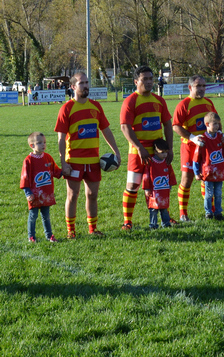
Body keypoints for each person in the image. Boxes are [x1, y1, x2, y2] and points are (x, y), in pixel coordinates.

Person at [55, 72, 121, 239]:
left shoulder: (96, 106)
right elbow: (61, 139)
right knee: (73, 195)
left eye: (86, 82)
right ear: (73, 87)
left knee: (92, 195)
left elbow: (106, 130)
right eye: (81, 83)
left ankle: (93, 229)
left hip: (93, 161)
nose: (85, 86)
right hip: (74, 161)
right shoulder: (67, 108)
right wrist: (63, 162)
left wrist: (116, 152)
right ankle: (71, 231)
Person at [120, 65, 174, 230]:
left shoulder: (159, 101)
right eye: (145, 79)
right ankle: (127, 221)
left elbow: (167, 125)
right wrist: (139, 147)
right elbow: (125, 127)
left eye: (151, 79)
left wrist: (169, 149)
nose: (149, 82)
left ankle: (164, 217)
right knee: (133, 185)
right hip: (137, 152)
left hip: (158, 152)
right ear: (136, 81)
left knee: (160, 184)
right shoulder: (131, 101)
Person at [172, 75, 217, 222]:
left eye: (204, 86)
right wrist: (192, 137)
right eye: (199, 86)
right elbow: (176, 126)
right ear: (190, 87)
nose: (202, 89)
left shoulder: (209, 103)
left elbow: (216, 121)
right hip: (189, 147)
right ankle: (183, 214)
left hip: (207, 147)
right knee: (187, 179)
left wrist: (219, 134)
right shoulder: (184, 104)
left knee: (207, 178)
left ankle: (209, 211)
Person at [20, 132, 65, 242]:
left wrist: (65, 172)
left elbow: (55, 171)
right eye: (39, 143)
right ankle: (31, 237)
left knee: (46, 216)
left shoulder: (48, 157)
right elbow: (24, 178)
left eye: (44, 142)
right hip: (34, 195)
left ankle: (49, 236)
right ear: (32, 145)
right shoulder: (28, 161)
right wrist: (28, 193)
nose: (43, 145)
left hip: (46, 194)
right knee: (33, 216)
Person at [192, 112, 224, 220]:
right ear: (207, 124)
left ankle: (218, 212)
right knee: (208, 194)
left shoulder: (220, 138)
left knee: (218, 193)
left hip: (219, 172)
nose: (217, 126)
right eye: (215, 124)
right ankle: (208, 212)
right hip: (208, 172)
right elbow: (196, 158)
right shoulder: (203, 139)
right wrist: (196, 172)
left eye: (218, 124)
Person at [142, 138, 177, 228]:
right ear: (155, 151)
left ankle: (166, 223)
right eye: (162, 152)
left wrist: (170, 184)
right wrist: (146, 188)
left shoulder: (167, 162)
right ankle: (153, 225)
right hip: (153, 192)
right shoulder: (150, 162)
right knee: (153, 209)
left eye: (166, 152)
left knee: (164, 208)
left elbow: (171, 174)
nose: (165, 154)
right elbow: (146, 176)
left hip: (164, 190)